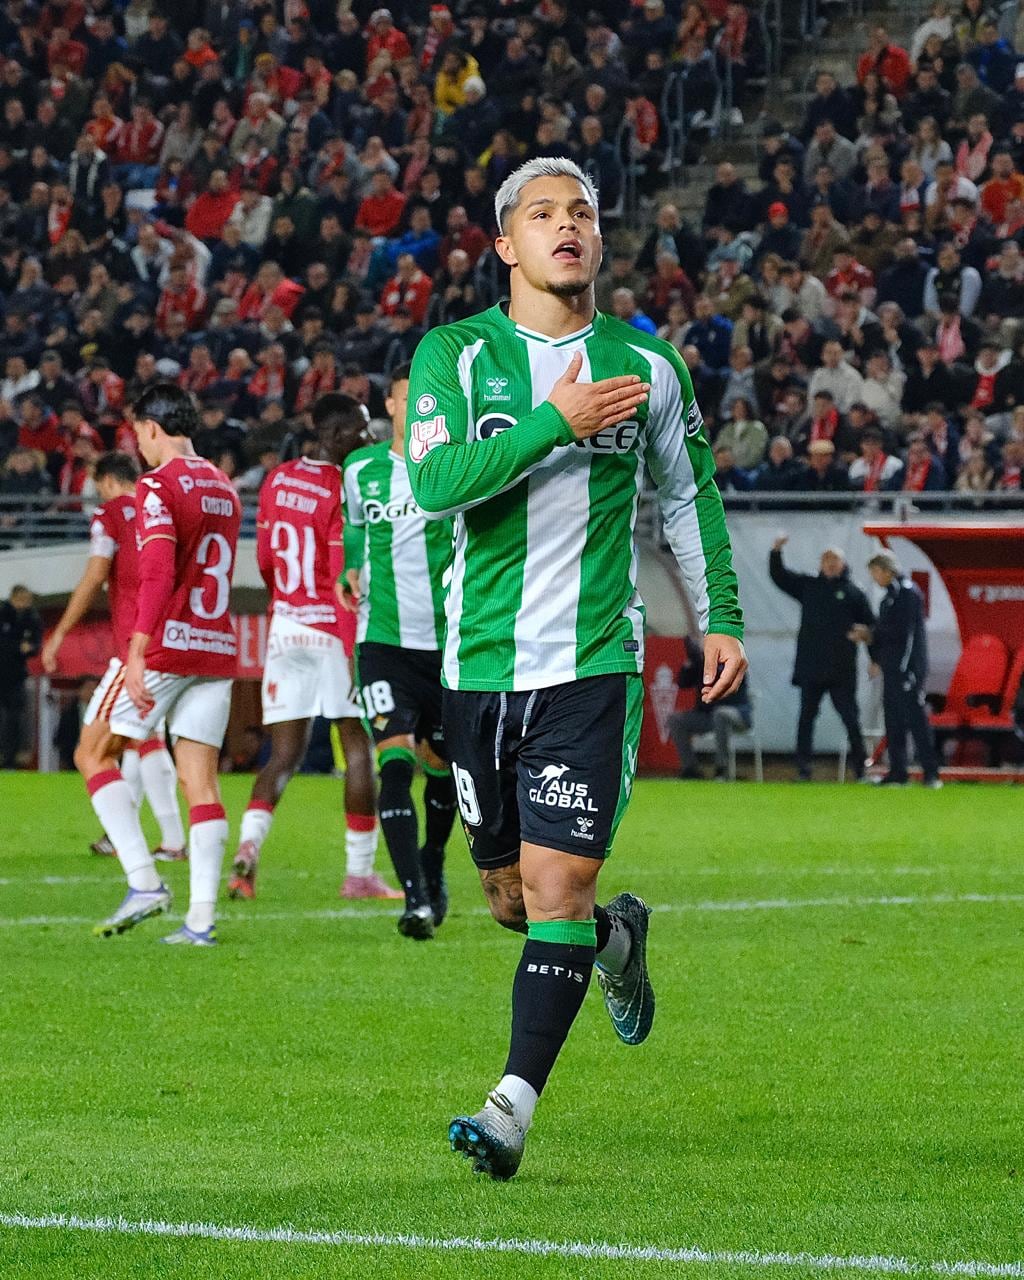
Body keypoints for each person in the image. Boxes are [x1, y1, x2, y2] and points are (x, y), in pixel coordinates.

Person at [405, 157, 745, 1179]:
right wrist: (558, 420)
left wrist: (715, 614)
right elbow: (430, 482)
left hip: (594, 663)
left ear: (598, 241)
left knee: (557, 880)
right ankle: (615, 941)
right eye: (542, 213)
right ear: (505, 244)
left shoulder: (650, 367)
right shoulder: (456, 357)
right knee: (511, 898)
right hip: (478, 666)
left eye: (582, 213)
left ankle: (509, 1107)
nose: (567, 226)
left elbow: (688, 497)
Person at [73, 384, 242, 945]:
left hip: (166, 646)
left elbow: (157, 574)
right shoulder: (225, 486)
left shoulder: (157, 487)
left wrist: (138, 650)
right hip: (216, 646)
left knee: (92, 751)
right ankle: (200, 921)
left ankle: (144, 881)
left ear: (149, 428)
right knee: (202, 782)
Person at [229, 394, 394, 903]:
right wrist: (352, 651)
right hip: (331, 629)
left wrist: (286, 603)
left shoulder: (278, 479)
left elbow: (263, 556)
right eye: (363, 431)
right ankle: (359, 873)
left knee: (282, 756)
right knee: (358, 744)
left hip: (285, 625)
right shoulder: (344, 487)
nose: (369, 440)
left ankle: (247, 853)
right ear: (338, 433)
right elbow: (341, 575)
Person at [341, 364, 458, 939]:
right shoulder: (360, 470)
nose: (416, 407)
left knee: (444, 767)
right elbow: (356, 530)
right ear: (388, 406)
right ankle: (413, 898)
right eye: (406, 399)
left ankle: (433, 859)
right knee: (394, 762)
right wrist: (349, 568)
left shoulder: (450, 466)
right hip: (382, 640)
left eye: (425, 400)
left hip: (446, 644)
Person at [41, 451, 187, 861]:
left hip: (138, 644)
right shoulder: (163, 506)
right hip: (176, 630)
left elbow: (94, 576)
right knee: (137, 734)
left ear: (106, 481)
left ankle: (164, 843)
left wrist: (60, 634)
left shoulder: (109, 514)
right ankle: (124, 834)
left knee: (98, 746)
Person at [769, 536, 875, 781]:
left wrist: (873, 656)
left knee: (850, 719)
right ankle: (803, 769)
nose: (830, 564)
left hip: (841, 670)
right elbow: (780, 577)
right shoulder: (809, 586)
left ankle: (861, 768)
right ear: (820, 563)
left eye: (834, 559)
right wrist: (776, 552)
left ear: (843, 563)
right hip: (812, 667)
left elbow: (870, 626)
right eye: (826, 559)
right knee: (806, 719)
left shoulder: (853, 593)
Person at [856, 551, 942, 788]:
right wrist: (876, 650)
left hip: (908, 670)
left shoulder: (907, 593)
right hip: (892, 669)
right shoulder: (889, 598)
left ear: (886, 570)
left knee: (916, 721)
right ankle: (898, 772)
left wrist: (908, 669)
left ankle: (931, 773)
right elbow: (888, 634)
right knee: (893, 721)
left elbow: (909, 636)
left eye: (875, 573)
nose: (875, 579)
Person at [668, 635, 752, 779]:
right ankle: (690, 769)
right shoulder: (701, 663)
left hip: (736, 714)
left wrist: (704, 662)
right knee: (675, 719)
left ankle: (722, 768)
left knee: (720, 714)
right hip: (708, 717)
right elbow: (682, 683)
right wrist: (691, 662)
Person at [0, 584, 42, 768]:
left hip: (16, 676)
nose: (26, 604)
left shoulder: (32, 618)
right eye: (23, 600)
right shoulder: (3, 614)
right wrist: (18, 646)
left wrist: (29, 648)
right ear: (14, 598)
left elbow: (35, 645)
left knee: (14, 719)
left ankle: (10, 760)